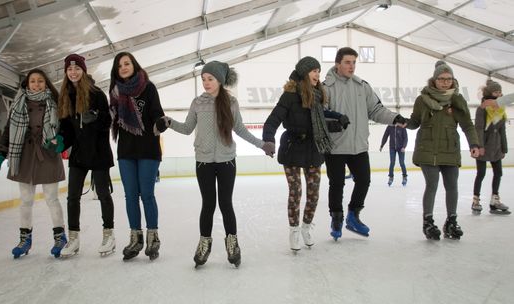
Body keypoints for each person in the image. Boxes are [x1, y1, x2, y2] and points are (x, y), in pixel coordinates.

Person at [156, 61, 275, 268]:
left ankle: (232, 243)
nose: (206, 83)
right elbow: (186, 129)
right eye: (203, 79)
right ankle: (204, 243)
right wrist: (168, 122)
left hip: (227, 161)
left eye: (210, 79)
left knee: (225, 204)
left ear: (220, 80)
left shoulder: (230, 102)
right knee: (208, 204)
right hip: (204, 162)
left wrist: (262, 144)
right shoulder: (197, 103)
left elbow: (240, 130)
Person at [262, 56, 347, 251]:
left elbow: (317, 125)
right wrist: (268, 140)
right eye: (313, 70)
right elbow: (273, 120)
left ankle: (306, 227)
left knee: (314, 194)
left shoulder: (318, 95)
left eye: (318, 70)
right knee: (295, 192)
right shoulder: (290, 96)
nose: (317, 74)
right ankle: (294, 231)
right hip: (292, 147)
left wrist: (337, 123)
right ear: (304, 73)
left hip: (313, 148)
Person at [322, 47, 406, 240]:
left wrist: (395, 118)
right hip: (335, 146)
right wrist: (333, 124)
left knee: (364, 180)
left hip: (358, 145)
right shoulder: (326, 87)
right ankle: (336, 218)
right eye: (347, 62)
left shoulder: (362, 86)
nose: (351, 66)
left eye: (354, 62)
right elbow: (320, 115)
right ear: (337, 64)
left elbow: (376, 110)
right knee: (336, 184)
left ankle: (353, 216)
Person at [0, 68, 67, 259]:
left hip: (47, 153)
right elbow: (9, 130)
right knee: (26, 200)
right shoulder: (18, 103)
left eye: (40, 81)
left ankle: (60, 237)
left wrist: (62, 139)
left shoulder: (56, 102)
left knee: (51, 198)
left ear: (46, 83)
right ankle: (25, 240)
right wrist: (0, 153)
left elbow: (65, 126)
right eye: (33, 81)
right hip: (24, 156)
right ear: (27, 84)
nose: (37, 84)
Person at [406, 60, 480, 240]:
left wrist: (474, 144)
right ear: (434, 80)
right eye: (441, 79)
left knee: (452, 185)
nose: (445, 82)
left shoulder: (457, 100)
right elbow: (414, 122)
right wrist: (400, 122)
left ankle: (451, 221)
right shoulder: (422, 100)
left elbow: (468, 125)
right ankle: (428, 222)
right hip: (427, 148)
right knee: (432, 184)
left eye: (449, 79)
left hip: (450, 148)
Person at [55, 54, 116, 257]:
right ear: (66, 72)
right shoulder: (65, 96)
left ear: (83, 70)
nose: (73, 72)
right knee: (72, 197)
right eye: (70, 69)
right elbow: (66, 128)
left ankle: (109, 235)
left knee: (103, 196)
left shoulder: (97, 94)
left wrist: (95, 119)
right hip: (79, 155)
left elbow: (107, 122)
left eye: (77, 69)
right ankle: (73, 239)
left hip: (99, 153)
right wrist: (61, 140)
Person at [109, 51, 165, 261]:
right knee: (130, 195)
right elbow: (112, 117)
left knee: (147, 195)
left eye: (127, 63)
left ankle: (153, 238)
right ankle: (136, 238)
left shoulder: (148, 87)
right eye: (119, 65)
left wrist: (161, 122)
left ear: (134, 65)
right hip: (126, 150)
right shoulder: (114, 91)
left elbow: (157, 112)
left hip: (148, 148)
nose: (123, 67)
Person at [472, 79, 510, 215]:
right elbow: (479, 129)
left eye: (500, 92)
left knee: (498, 173)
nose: (499, 94)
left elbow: (502, 130)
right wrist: (479, 146)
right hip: (483, 147)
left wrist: (504, 148)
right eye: (496, 92)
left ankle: (495, 199)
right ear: (489, 93)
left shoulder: (501, 109)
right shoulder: (482, 109)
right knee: (481, 174)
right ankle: (475, 200)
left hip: (496, 147)